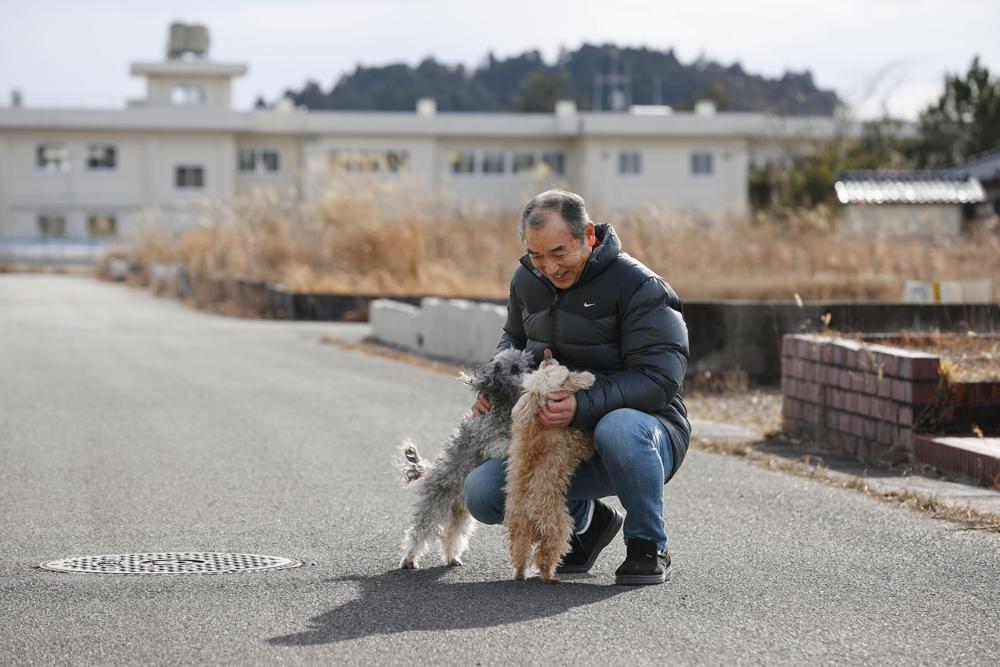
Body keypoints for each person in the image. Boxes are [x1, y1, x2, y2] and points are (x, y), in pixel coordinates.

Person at [464, 189, 690, 585]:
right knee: (482, 493)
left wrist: (581, 404)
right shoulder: (525, 280)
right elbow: (512, 342)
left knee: (617, 427)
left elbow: (660, 379)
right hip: (559, 439)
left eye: (559, 253)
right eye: (536, 257)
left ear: (587, 235)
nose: (549, 267)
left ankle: (648, 544)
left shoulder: (639, 286)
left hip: (646, 433)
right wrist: (496, 387)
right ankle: (589, 522)